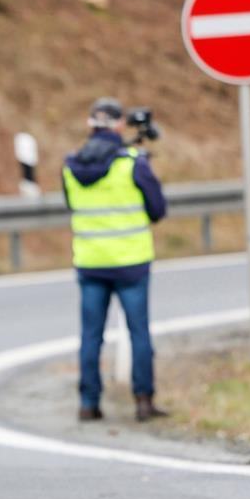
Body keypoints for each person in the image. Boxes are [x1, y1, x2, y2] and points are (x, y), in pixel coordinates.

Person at [62, 97, 168, 422]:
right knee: (138, 332)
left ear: (90, 125)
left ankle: (88, 404)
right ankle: (143, 401)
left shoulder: (71, 165)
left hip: (91, 262)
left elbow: (72, 206)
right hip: (132, 263)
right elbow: (157, 209)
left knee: (91, 336)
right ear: (120, 125)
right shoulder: (133, 162)